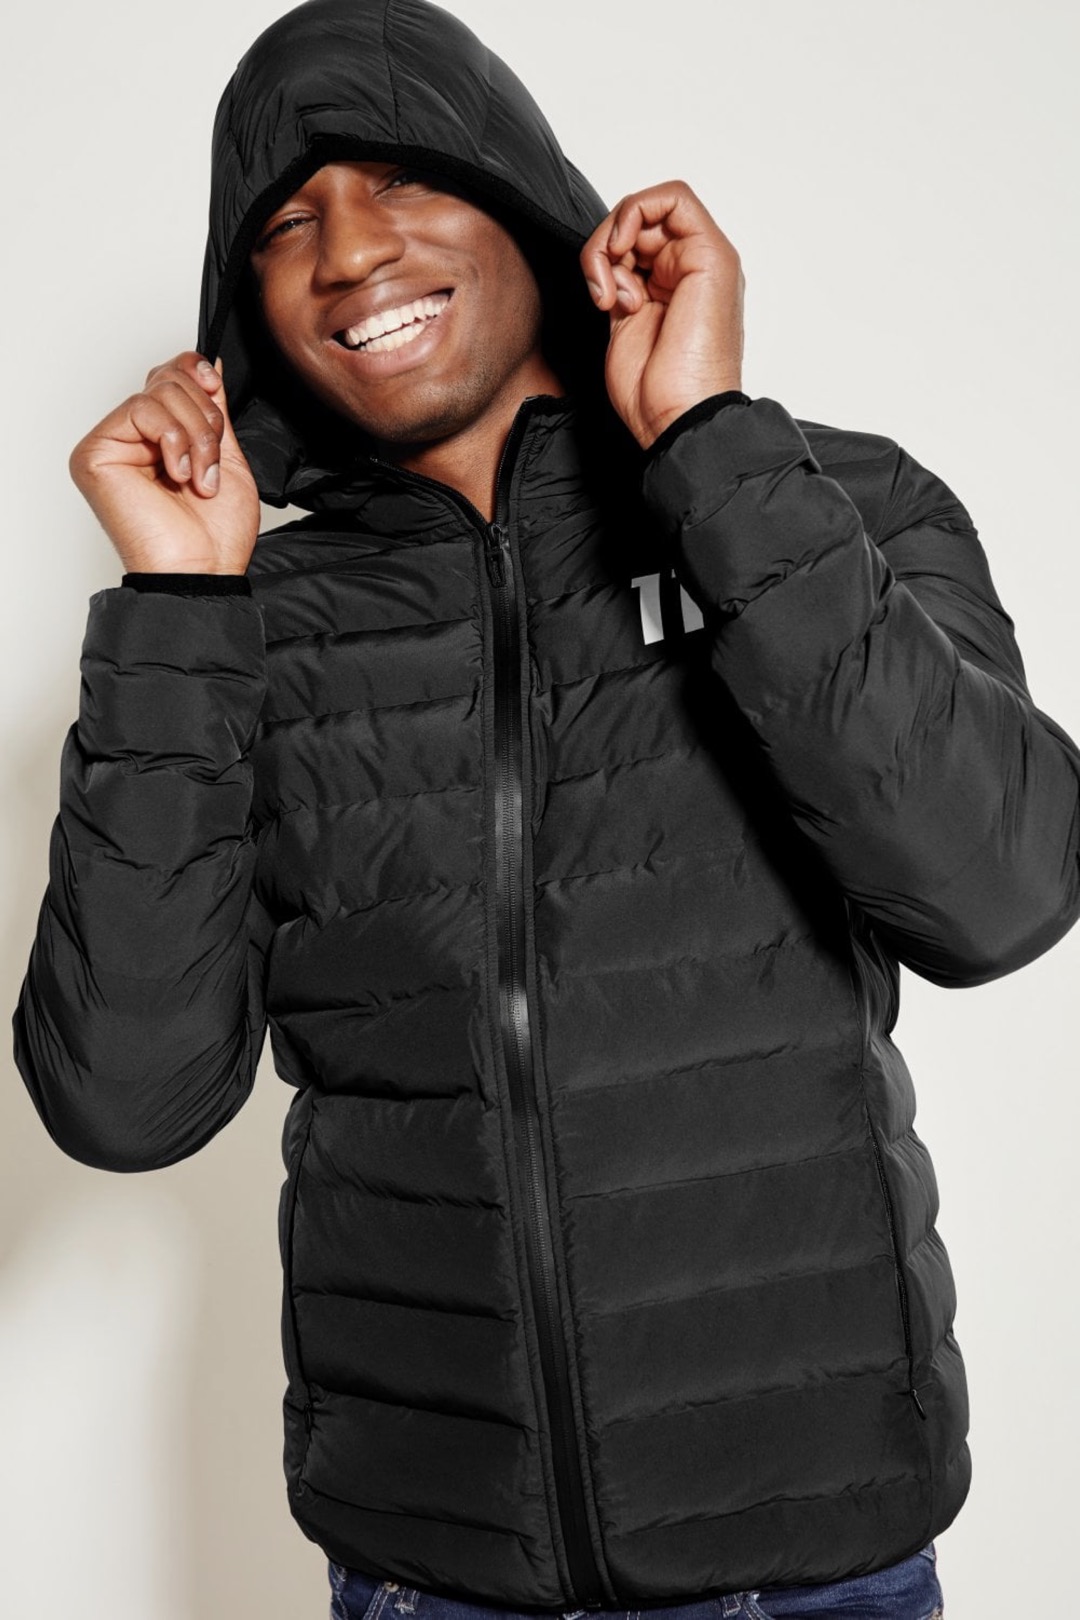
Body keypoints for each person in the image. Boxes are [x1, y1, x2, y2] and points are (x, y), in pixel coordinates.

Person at [12, 0, 1080, 1616]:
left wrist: (709, 447)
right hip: (430, 1573)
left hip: (812, 1557)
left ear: (523, 201)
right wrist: (175, 606)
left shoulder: (831, 506)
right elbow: (126, 1102)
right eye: (285, 225)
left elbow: (999, 894)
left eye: (402, 179)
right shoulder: (245, 627)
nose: (348, 253)